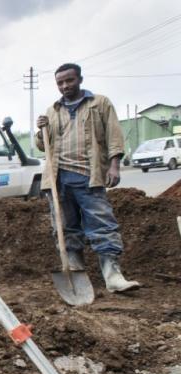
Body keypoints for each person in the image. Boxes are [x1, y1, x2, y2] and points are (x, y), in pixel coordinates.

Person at [36, 63, 140, 293]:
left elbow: (114, 135)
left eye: (69, 80)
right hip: (58, 179)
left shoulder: (99, 104)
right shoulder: (52, 110)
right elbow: (43, 145)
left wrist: (114, 166)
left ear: (79, 79)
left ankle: (113, 276)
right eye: (60, 83)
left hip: (88, 176)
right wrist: (40, 130)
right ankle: (75, 270)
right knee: (65, 227)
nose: (65, 86)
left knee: (102, 224)